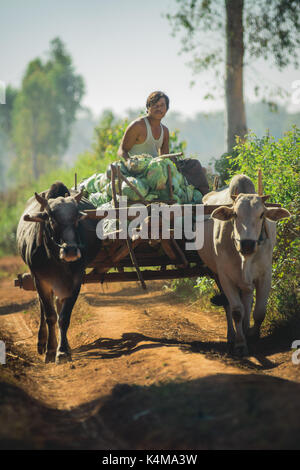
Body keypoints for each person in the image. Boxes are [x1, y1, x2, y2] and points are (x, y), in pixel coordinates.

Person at [117, 91, 209, 196]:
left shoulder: (164, 131)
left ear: (166, 109)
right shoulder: (138, 126)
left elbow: (164, 157)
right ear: (148, 108)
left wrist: (176, 163)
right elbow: (121, 150)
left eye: (162, 105)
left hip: (156, 169)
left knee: (194, 164)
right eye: (155, 105)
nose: (159, 108)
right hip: (140, 170)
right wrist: (130, 163)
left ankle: (206, 198)